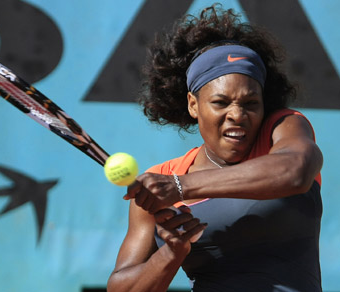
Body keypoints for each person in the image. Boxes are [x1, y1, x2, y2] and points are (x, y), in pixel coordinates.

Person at [107, 4, 323, 292]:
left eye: (250, 103)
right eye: (221, 103)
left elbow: (296, 171)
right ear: (193, 105)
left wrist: (182, 187)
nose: (237, 114)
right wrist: (171, 253)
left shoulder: (282, 129)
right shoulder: (160, 180)